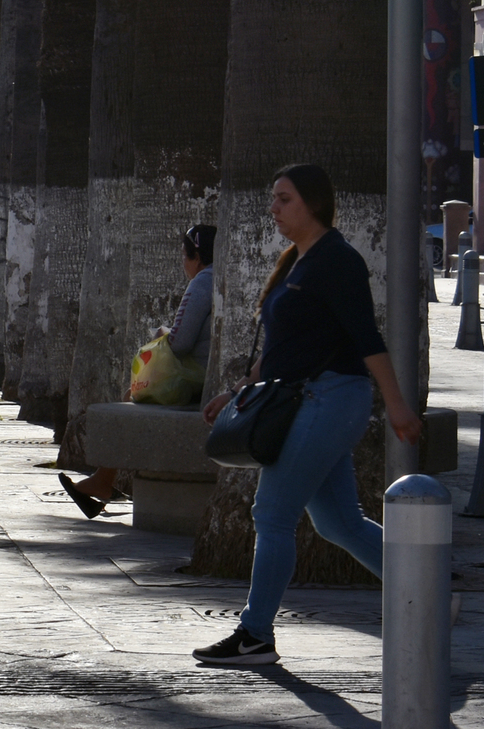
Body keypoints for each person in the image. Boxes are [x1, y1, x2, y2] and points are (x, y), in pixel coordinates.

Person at [191, 164, 422, 667]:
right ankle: (428, 595)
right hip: (306, 400)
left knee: (272, 514)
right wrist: (236, 391)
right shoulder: (296, 260)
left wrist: (398, 405)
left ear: (313, 203)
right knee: (339, 523)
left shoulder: (338, 260)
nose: (273, 208)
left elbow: (367, 338)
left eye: (284, 199)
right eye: (273, 198)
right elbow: (283, 348)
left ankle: (255, 636)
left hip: (331, 398)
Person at [59, 224, 216, 519]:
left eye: (184, 255)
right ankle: (102, 480)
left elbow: (181, 342)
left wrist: (162, 333)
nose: (182, 263)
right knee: (132, 394)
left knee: (133, 395)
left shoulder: (203, 281)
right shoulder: (221, 278)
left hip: (196, 380)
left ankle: (103, 481)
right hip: (206, 377)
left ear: (196, 257)